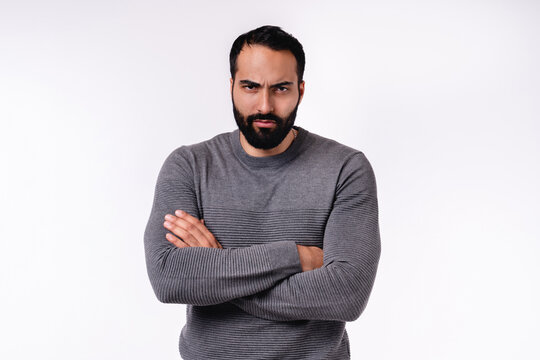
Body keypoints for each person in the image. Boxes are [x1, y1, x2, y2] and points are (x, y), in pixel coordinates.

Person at [144, 25, 381, 360]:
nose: (265, 106)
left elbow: (346, 295)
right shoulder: (190, 165)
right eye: (251, 87)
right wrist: (295, 257)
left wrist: (216, 268)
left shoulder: (345, 169)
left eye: (281, 88)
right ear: (232, 87)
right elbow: (169, 278)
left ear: (300, 90)